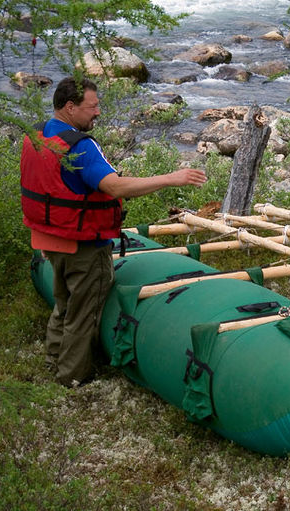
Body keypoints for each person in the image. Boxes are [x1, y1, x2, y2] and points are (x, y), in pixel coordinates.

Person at [21, 77, 207, 387]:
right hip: (83, 245)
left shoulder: (40, 134)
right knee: (83, 312)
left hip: (52, 238)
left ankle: (54, 358)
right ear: (70, 107)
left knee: (64, 302)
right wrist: (171, 178)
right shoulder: (81, 146)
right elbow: (114, 187)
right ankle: (72, 378)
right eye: (92, 106)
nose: (98, 112)